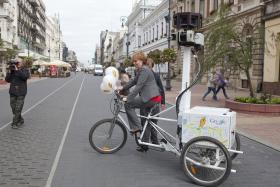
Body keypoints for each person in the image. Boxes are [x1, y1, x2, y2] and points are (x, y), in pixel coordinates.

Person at [118, 52, 161, 152]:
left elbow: (138, 86)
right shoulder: (140, 70)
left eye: (136, 61)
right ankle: (144, 144)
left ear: (141, 60)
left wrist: (128, 98)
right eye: (133, 61)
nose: (134, 63)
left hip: (151, 98)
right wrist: (122, 88)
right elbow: (133, 82)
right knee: (146, 121)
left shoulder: (145, 70)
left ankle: (136, 127)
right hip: (149, 98)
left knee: (128, 104)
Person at [139, 58, 166, 145]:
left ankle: (153, 140)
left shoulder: (156, 76)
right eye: (146, 66)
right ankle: (145, 142)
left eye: (149, 66)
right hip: (144, 101)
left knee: (153, 122)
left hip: (154, 102)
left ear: (152, 67)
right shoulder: (141, 74)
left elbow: (161, 89)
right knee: (145, 121)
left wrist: (163, 102)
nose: (147, 68)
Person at [5, 58, 30, 129]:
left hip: (21, 92)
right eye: (16, 62)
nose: (17, 63)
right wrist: (10, 72)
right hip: (13, 92)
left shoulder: (25, 70)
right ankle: (21, 119)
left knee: (18, 108)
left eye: (18, 62)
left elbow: (25, 77)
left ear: (21, 63)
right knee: (13, 108)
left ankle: (14, 123)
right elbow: (7, 80)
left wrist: (17, 70)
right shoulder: (12, 70)